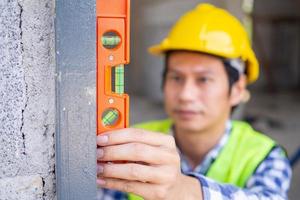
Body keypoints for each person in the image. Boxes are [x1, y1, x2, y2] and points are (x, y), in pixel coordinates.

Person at [96, 3, 292, 200]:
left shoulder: (263, 156)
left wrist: (183, 189)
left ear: (237, 89)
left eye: (203, 79)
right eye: (176, 78)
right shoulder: (133, 147)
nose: (185, 95)